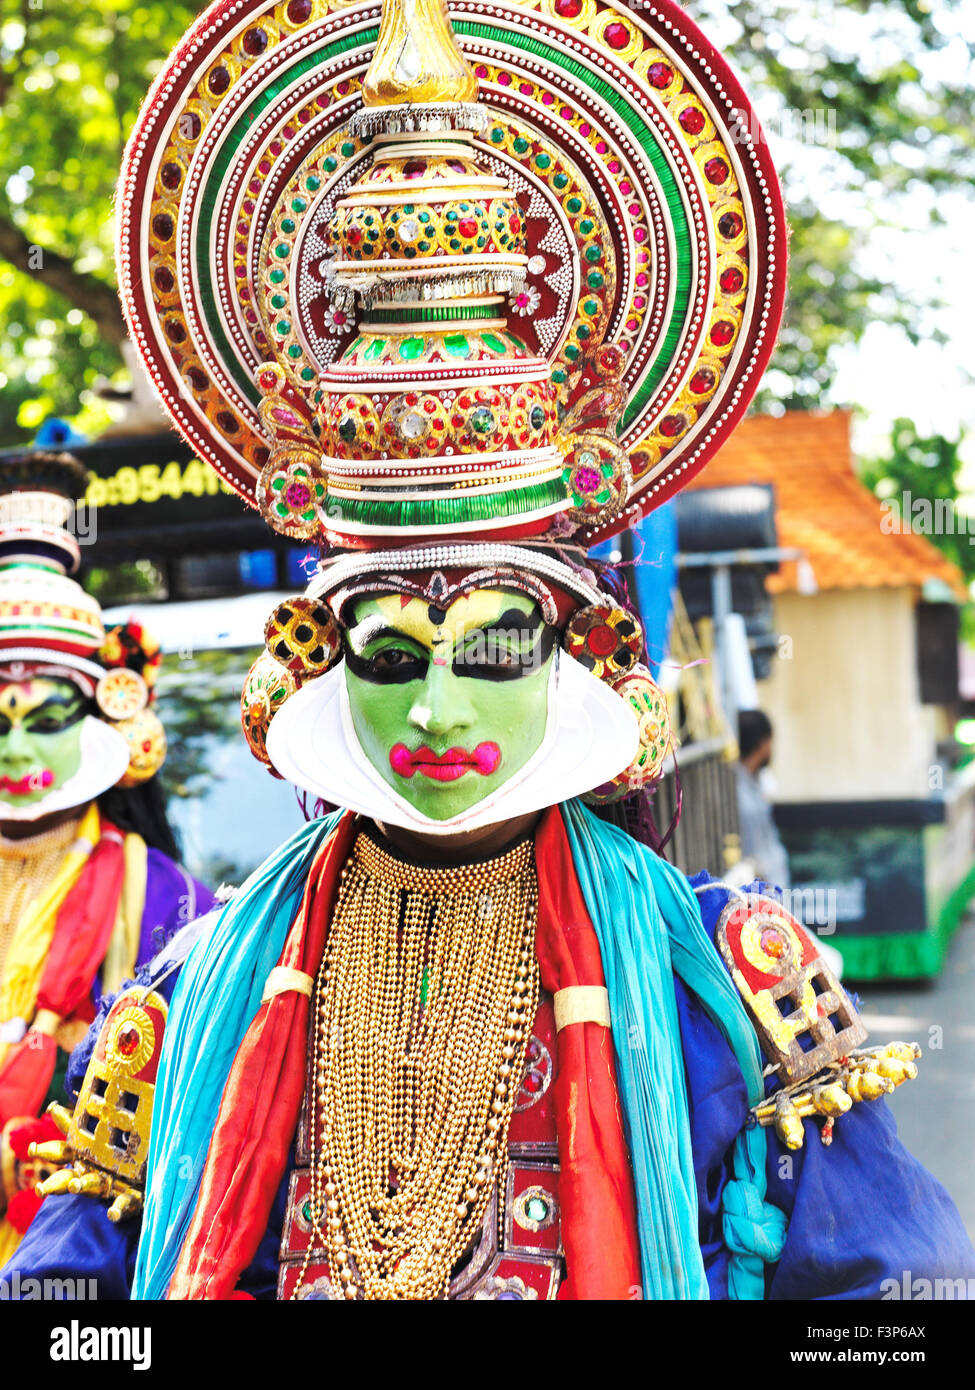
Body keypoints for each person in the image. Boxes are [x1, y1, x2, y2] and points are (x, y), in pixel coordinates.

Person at [5, 0, 973, 1300]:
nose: (438, 706)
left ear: (582, 650)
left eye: (495, 640)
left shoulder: (728, 979)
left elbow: (889, 1300)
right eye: (392, 651)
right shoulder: (189, 995)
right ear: (314, 659)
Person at [0, 448, 213, 1261]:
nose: (18, 748)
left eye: (46, 716)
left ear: (106, 720)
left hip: (88, 1255)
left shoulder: (174, 906)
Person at [735, 709, 791, 890]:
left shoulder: (754, 782)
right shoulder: (741, 795)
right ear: (763, 744)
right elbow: (753, 857)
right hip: (761, 891)